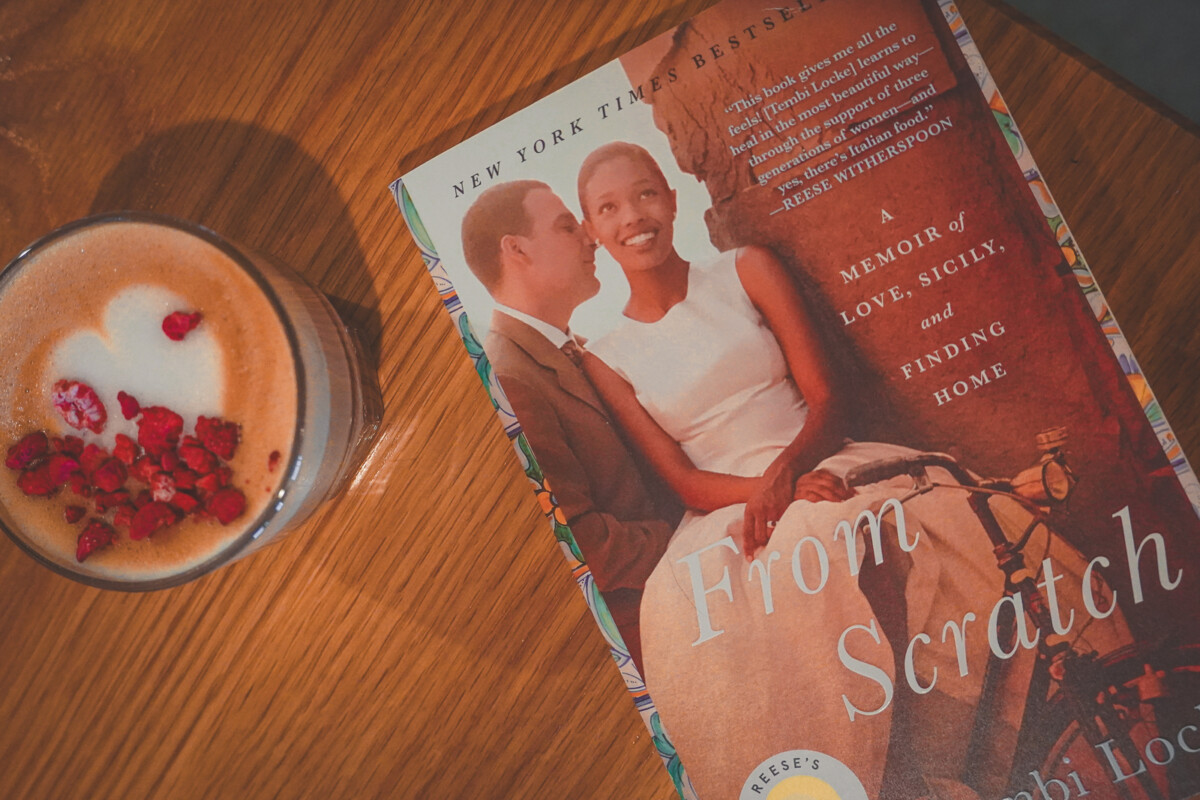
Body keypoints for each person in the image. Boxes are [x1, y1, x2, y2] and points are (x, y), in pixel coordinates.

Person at [574, 142, 1130, 799]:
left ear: (669, 198)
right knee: (800, 552)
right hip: (726, 502)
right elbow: (682, 480)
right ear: (591, 231)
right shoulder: (606, 356)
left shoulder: (745, 270)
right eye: (608, 208)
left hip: (815, 455)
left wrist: (791, 471)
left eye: (643, 194)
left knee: (928, 526)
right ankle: (876, 770)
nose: (632, 216)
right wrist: (772, 493)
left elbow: (828, 398)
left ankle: (948, 747)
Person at [459, 180, 677, 673]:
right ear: (516, 250)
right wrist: (692, 540)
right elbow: (586, 547)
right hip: (652, 629)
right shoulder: (511, 380)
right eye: (565, 227)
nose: (592, 238)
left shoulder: (568, 350)